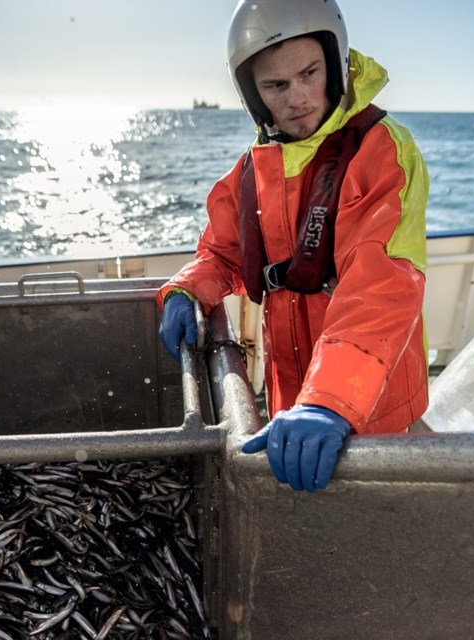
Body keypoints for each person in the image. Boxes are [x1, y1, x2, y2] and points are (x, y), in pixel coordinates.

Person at [158, 0, 429, 492]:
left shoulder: (383, 150)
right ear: (253, 96)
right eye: (276, 85)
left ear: (337, 62)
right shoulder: (251, 168)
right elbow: (222, 253)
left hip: (369, 399)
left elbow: (380, 285)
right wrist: (188, 289)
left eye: (310, 73)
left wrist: (329, 398)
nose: (298, 96)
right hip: (291, 395)